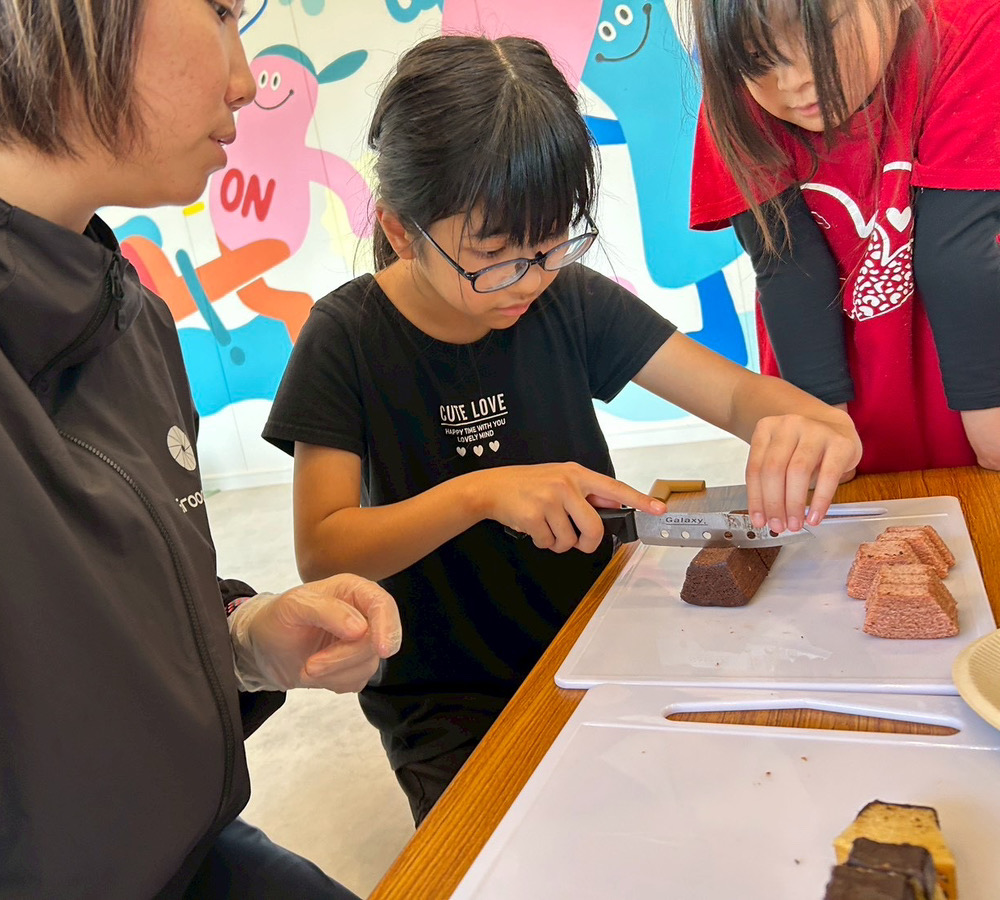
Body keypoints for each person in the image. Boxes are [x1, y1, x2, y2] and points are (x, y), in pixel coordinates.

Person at [0, 1, 401, 897]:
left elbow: (76, 634)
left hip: (193, 855)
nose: (245, 79)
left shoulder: (126, 311)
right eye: (221, 11)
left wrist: (243, 640)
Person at [261, 34, 862, 826]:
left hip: (599, 636)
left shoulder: (567, 298)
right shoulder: (347, 336)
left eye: (551, 244)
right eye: (493, 256)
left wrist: (815, 428)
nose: (528, 280)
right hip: (447, 696)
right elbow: (324, 550)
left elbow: (740, 397)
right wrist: (480, 494)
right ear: (403, 231)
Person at [689, 0, 1000, 474]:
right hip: (823, 368)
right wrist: (823, 425)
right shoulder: (734, 98)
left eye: (818, 38)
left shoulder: (968, 33)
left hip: (969, 350)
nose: (792, 81)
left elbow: (958, 251)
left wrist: (990, 411)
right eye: (758, 59)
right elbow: (789, 267)